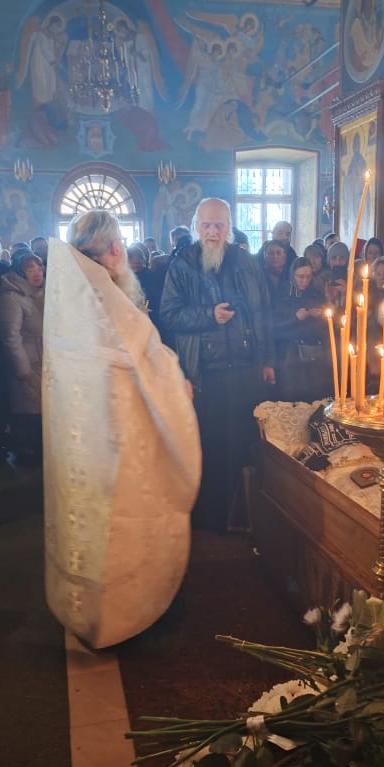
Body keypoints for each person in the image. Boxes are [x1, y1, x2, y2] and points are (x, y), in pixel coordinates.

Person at [43, 213, 200, 648]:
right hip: (123, 442)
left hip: (86, 443)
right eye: (117, 246)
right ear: (112, 251)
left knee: (93, 529)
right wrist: (177, 384)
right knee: (126, 528)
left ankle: (91, 612)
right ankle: (127, 617)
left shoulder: (73, 298)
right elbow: (150, 367)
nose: (121, 253)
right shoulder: (108, 303)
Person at [160, 197, 275, 531]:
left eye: (219, 225)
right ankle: (211, 518)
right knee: (208, 445)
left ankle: (242, 514)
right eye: (207, 225)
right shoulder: (183, 264)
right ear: (196, 226)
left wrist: (267, 359)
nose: (213, 231)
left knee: (242, 442)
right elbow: (169, 314)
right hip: (204, 373)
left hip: (245, 369)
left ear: (229, 228)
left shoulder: (247, 262)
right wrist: (208, 315)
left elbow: (263, 313)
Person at [0, 250, 45, 466]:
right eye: (29, 269)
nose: (36, 273)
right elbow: (10, 337)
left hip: (45, 363)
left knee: (41, 412)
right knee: (29, 413)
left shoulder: (42, 292)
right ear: (20, 272)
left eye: (38, 267)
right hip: (28, 363)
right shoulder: (11, 296)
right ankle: (27, 458)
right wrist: (24, 371)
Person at [272, 258, 329, 403]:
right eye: (300, 277)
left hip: (313, 354)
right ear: (293, 275)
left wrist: (320, 315)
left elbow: (327, 325)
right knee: (292, 398)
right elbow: (274, 326)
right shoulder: (282, 294)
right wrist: (295, 318)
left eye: (308, 277)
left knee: (313, 398)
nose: (304, 281)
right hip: (289, 355)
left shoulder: (316, 293)